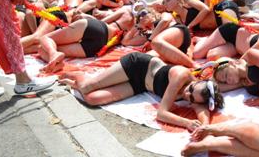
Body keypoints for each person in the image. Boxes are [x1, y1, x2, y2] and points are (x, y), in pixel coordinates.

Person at [60, 53, 224, 131]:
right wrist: (187, 123)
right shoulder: (181, 76)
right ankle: (76, 75)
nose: (187, 95)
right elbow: (162, 114)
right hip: (137, 66)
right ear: (198, 81)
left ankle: (78, 83)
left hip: (140, 85)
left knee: (93, 99)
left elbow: (204, 114)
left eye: (191, 99)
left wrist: (205, 128)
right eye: (191, 90)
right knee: (88, 87)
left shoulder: (198, 96)